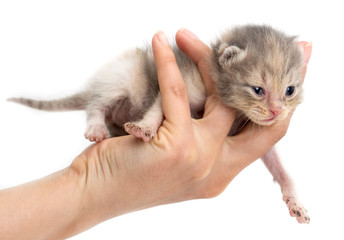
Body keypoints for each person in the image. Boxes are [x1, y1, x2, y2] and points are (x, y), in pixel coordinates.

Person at [0, 29, 312, 239]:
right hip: (133, 96)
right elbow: (167, 96)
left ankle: (113, 127)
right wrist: (145, 129)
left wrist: (288, 185)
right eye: (259, 91)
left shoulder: (254, 108)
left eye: (289, 91)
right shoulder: (207, 84)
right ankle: (97, 114)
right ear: (227, 61)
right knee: (137, 77)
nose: (275, 110)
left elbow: (264, 148)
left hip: (126, 126)